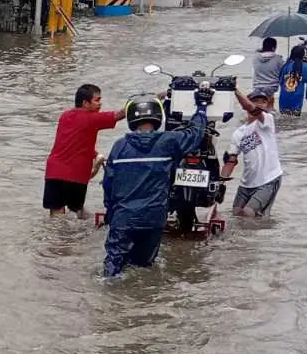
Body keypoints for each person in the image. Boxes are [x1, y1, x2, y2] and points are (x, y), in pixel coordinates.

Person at [101, 96, 210, 279]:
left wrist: (110, 213)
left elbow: (108, 184)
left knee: (113, 266)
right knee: (144, 267)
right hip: (154, 217)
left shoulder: (119, 146)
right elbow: (194, 135)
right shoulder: (168, 142)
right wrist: (201, 108)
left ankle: (109, 292)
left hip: (124, 217)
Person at [43, 83, 123, 217]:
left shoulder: (65, 116)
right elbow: (120, 114)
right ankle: (94, 227)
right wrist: (150, 101)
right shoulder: (91, 118)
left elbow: (72, 143)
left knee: (56, 215)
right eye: (97, 100)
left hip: (54, 172)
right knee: (77, 211)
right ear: (85, 103)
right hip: (75, 174)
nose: (100, 104)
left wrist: (95, 154)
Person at [222, 87, 283, 216]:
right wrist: (220, 183)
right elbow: (231, 161)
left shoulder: (267, 120)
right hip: (247, 183)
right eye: (256, 100)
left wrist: (235, 90)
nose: (260, 104)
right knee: (236, 214)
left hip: (269, 179)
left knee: (249, 212)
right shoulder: (239, 133)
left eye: (263, 101)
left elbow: (252, 109)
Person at [278, 43, 307, 116]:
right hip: (297, 100)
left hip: (284, 99)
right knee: (295, 121)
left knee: (284, 120)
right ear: (303, 55)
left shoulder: (286, 65)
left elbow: (280, 81)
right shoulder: (306, 66)